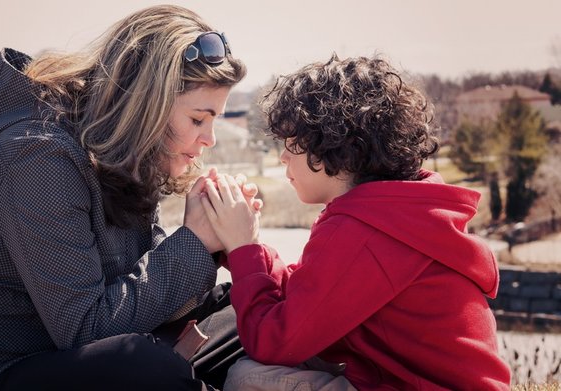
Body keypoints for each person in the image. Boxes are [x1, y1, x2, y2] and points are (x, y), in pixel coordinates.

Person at [0, 5, 252, 390]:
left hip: (58, 363)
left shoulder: (122, 163)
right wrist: (195, 243)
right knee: (145, 365)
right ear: (146, 107)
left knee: (245, 313)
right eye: (198, 119)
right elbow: (88, 331)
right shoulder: (36, 156)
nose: (210, 139)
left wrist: (219, 242)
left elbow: (144, 292)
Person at [200, 55, 512, 390]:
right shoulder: (396, 215)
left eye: (292, 143)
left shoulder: (363, 231)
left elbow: (273, 341)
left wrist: (243, 247)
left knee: (249, 379)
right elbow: (312, 297)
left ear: (335, 147)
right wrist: (244, 247)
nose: (283, 156)